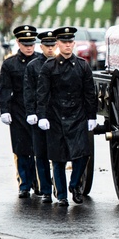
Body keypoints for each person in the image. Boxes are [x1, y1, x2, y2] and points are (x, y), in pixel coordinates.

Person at [36, 26, 97, 206]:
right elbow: (42, 93)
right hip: (56, 116)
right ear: (58, 44)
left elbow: (89, 92)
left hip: (77, 115)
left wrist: (91, 116)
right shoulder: (49, 67)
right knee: (58, 158)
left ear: (74, 43)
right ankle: (62, 195)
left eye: (70, 42)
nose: (68, 45)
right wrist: (42, 116)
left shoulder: (82, 65)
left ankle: (74, 185)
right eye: (64, 42)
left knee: (83, 154)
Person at [0, 25, 40, 198]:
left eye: (31, 43)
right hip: (18, 110)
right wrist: (4, 109)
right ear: (18, 43)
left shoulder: (41, 61)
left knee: (39, 148)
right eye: (25, 44)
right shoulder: (10, 64)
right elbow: (5, 88)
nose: (29, 47)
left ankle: (39, 182)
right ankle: (24, 183)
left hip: (38, 109)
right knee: (21, 148)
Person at [23, 30, 58, 203]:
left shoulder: (61, 64)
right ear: (41, 46)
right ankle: (45, 189)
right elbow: (29, 92)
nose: (51, 49)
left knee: (58, 155)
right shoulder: (33, 66)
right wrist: (31, 112)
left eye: (53, 45)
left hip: (58, 115)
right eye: (47, 46)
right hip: (39, 115)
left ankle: (59, 189)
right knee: (41, 154)